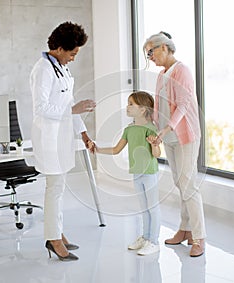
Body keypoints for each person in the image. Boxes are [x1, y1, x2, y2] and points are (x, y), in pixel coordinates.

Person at [30, 21, 96, 261]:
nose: (74, 58)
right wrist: (73, 109)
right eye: (72, 53)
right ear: (59, 48)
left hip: (63, 136)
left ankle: (57, 232)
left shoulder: (61, 68)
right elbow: (41, 107)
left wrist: (84, 133)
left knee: (59, 189)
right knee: (54, 188)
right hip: (49, 137)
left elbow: (70, 105)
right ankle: (53, 238)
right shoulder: (44, 69)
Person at [143, 31, 206, 257]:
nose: (149, 56)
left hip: (184, 135)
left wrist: (167, 128)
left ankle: (199, 237)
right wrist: (149, 120)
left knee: (188, 184)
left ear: (165, 48)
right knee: (180, 184)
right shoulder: (162, 74)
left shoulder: (182, 71)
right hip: (166, 137)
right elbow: (160, 106)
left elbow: (184, 105)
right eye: (147, 53)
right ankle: (185, 229)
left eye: (151, 51)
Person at [88, 91, 161, 256]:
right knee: (144, 208)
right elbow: (116, 150)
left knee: (153, 207)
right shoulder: (129, 129)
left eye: (131, 104)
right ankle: (146, 237)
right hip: (136, 174)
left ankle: (154, 242)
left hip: (149, 173)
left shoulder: (151, 129)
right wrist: (97, 149)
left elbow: (156, 154)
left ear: (142, 110)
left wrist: (154, 145)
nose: (127, 107)